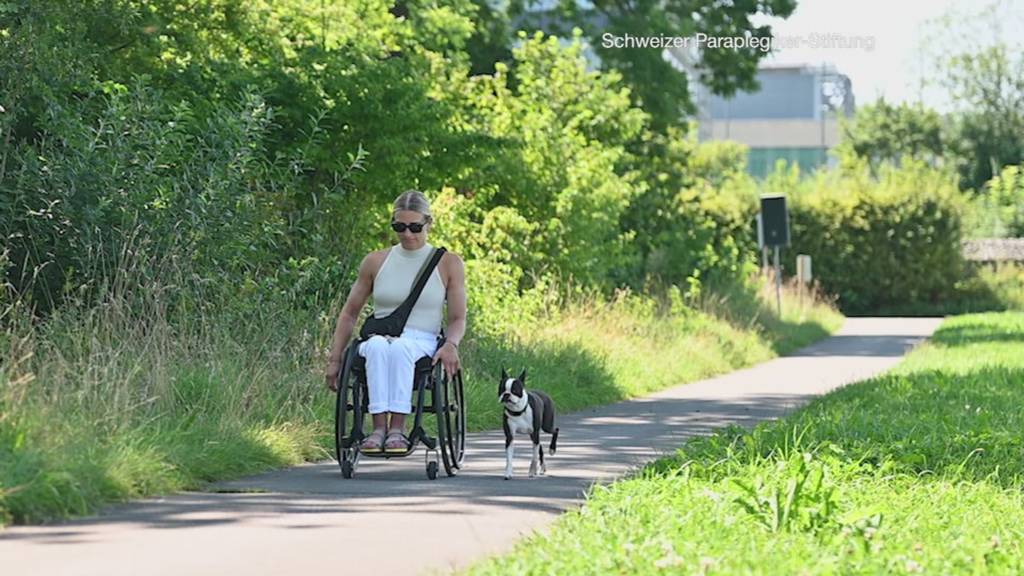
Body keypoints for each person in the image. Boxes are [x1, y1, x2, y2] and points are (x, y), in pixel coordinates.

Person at [324, 190, 467, 453]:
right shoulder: (375, 261)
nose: (408, 234)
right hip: (380, 336)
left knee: (401, 349)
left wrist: (451, 344)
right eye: (399, 227)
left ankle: (397, 429)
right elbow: (349, 313)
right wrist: (335, 359)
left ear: (428, 223)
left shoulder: (448, 263)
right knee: (378, 347)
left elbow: (458, 318)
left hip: (421, 339)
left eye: (415, 227)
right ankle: (378, 428)